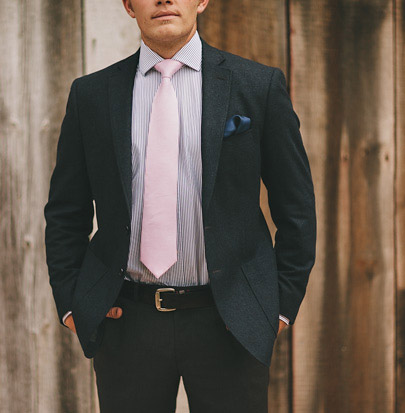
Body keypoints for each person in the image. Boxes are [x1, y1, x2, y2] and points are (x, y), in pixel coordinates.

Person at [44, 0, 316, 411]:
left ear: (202, 0)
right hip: (127, 321)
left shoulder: (257, 86)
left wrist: (277, 308)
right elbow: (66, 212)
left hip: (231, 320)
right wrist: (71, 302)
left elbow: (296, 209)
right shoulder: (92, 96)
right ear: (129, 5)